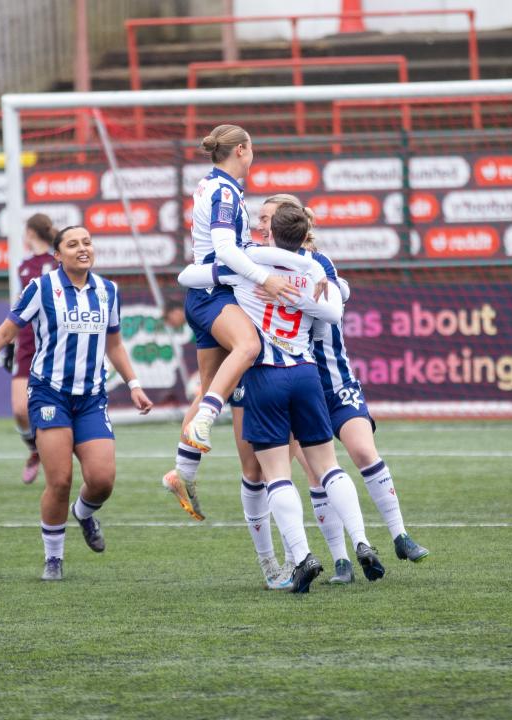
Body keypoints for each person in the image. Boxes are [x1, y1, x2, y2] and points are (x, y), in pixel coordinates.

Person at [179, 204, 386, 593]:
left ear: (268, 232)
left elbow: (188, 276)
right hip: (306, 374)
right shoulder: (313, 270)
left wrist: (256, 265)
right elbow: (335, 311)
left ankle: (303, 555)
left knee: (275, 475)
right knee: (327, 466)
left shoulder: (248, 262)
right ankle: (361, 541)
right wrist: (319, 286)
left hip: (264, 377)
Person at [0, 225, 153, 581]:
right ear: (57, 255)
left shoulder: (108, 291)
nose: (82, 249)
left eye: (87, 242)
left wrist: (134, 384)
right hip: (49, 394)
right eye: (73, 244)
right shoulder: (41, 288)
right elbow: (5, 333)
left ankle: (85, 513)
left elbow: (115, 344)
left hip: (91, 397)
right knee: (59, 480)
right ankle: (54, 558)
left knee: (102, 480)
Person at [257, 194, 430, 583]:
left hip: (334, 381)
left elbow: (336, 298)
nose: (261, 225)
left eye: (269, 218)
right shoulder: (258, 262)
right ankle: (342, 561)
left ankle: (401, 535)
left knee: (362, 449)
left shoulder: (318, 263)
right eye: (261, 218)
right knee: (317, 473)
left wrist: (323, 289)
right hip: (298, 384)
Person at [161, 124, 304, 522]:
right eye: (252, 148)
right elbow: (224, 249)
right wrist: (265, 278)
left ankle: (183, 471)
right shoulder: (224, 191)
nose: (253, 154)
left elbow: (226, 249)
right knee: (249, 347)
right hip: (214, 296)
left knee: (211, 387)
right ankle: (206, 421)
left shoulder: (216, 187)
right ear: (241, 150)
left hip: (204, 292)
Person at [10, 213, 57, 484]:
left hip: (51, 341)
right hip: (27, 341)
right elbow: (19, 304)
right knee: (19, 408)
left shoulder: (56, 262)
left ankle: (56, 455)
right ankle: (34, 451)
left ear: (30, 233)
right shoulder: (24, 266)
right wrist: (10, 339)